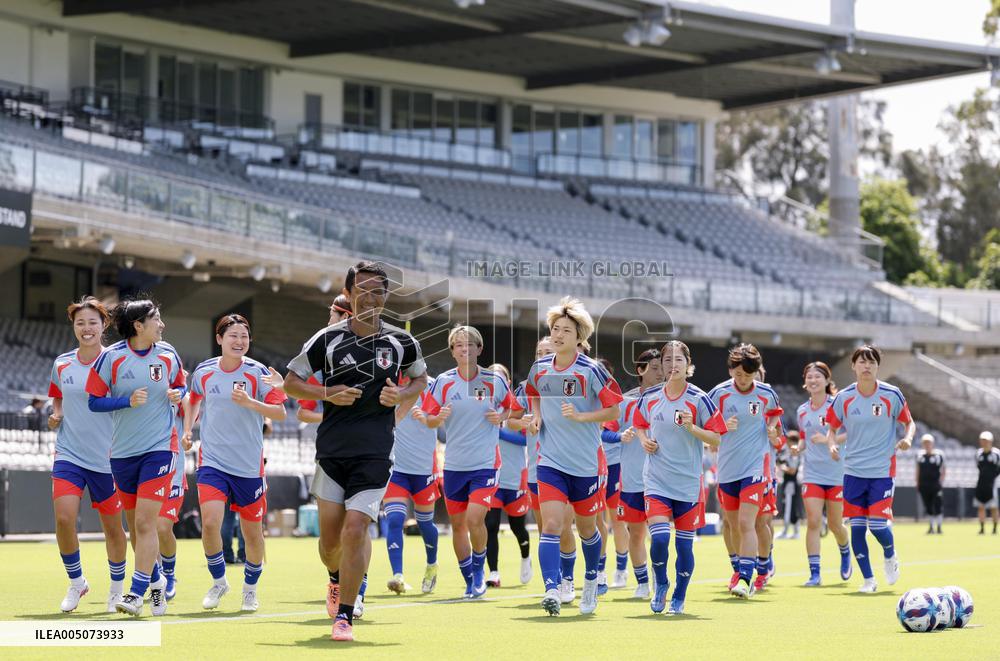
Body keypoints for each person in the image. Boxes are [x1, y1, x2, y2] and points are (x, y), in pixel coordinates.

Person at [284, 261, 427, 642]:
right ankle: (336, 578)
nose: (370, 297)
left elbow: (420, 378)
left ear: (386, 296)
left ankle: (345, 614)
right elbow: (291, 383)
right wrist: (326, 392)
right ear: (348, 294)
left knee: (355, 529)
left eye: (378, 291)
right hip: (331, 453)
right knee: (330, 543)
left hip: (376, 454)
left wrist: (401, 397)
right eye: (362, 290)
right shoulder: (326, 339)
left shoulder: (402, 342)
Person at [86, 298, 185, 617]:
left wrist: (177, 394)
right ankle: (156, 584)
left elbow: (182, 386)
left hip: (160, 449)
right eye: (157, 318)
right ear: (139, 325)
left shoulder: (168, 354)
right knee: (135, 527)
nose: (162, 324)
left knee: (146, 522)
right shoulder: (111, 359)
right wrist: (125, 401)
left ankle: (135, 593)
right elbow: (94, 402)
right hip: (123, 454)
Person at [525, 297, 623, 616]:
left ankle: (591, 581)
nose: (558, 334)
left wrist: (582, 417)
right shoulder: (539, 368)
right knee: (551, 525)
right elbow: (532, 393)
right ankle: (553, 587)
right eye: (555, 329)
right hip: (551, 462)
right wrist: (536, 416)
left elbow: (614, 408)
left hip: (585, 465)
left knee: (586, 531)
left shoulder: (591, 370)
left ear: (579, 336)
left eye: (566, 330)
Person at [186, 314, 287, 613]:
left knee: (252, 533)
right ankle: (219, 582)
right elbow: (193, 398)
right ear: (219, 339)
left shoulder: (258, 372)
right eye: (232, 335)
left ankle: (250, 589)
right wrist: (187, 429)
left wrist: (252, 403)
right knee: (210, 523)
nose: (239, 341)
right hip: (212, 461)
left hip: (248, 466)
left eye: (244, 336)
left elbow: (280, 413)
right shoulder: (204, 372)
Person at [422, 326, 521, 598]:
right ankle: (468, 579)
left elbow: (515, 408)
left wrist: (501, 417)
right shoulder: (443, 382)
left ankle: (479, 572)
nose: (464, 349)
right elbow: (429, 419)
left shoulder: (493, 381)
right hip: (454, 465)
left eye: (469, 344)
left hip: (485, 463)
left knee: (475, 519)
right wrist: (437, 417)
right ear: (452, 352)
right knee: (458, 526)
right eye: (458, 345)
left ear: (479, 349)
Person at [633, 340, 727, 615]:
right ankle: (661, 583)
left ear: (689, 365)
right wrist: (643, 440)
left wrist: (692, 427)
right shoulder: (650, 397)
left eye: (678, 360)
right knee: (660, 539)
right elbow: (639, 424)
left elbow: (717, 438)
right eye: (667, 360)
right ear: (661, 366)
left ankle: (679, 596)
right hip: (656, 480)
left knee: (684, 547)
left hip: (687, 484)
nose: (673, 365)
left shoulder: (699, 399)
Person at [48, 297, 128, 613]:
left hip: (109, 458)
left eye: (92, 322)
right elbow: (57, 397)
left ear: (103, 325)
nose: (86, 328)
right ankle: (76, 582)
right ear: (73, 327)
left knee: (113, 529)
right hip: (69, 453)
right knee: (64, 518)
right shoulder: (62, 363)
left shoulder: (118, 363)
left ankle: (117, 590)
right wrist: (56, 415)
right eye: (80, 322)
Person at [825, 345, 915, 594]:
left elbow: (909, 423)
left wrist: (907, 438)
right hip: (853, 472)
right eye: (861, 362)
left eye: (871, 362)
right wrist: (832, 446)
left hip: (882, 472)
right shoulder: (844, 397)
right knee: (857, 528)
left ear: (878, 366)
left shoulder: (891, 394)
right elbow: (831, 429)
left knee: (877, 527)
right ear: (853, 366)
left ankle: (890, 553)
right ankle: (868, 580)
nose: (866, 366)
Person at [708, 343, 783, 599]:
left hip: (755, 466)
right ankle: (738, 567)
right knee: (731, 524)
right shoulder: (718, 394)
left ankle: (746, 578)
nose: (742, 380)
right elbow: (706, 427)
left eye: (748, 375)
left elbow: (775, 417)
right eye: (738, 374)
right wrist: (720, 426)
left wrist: (773, 429)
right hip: (727, 467)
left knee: (746, 521)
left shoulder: (766, 393)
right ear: (731, 370)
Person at [607, 348, 663, 600]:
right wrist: (621, 436)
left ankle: (659, 576)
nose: (661, 372)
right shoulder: (625, 402)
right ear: (640, 371)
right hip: (631, 480)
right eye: (654, 367)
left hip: (663, 480)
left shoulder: (671, 399)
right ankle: (642, 581)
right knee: (636, 533)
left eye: (663, 366)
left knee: (660, 534)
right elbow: (604, 431)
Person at [382, 373, 441, 595]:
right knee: (395, 519)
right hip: (396, 467)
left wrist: (429, 416)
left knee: (426, 523)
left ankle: (431, 565)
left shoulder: (433, 385)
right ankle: (398, 575)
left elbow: (446, 416)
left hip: (424, 468)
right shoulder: (387, 382)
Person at [794, 361, 851, 586]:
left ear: (827, 380)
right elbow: (802, 436)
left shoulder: (836, 405)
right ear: (805, 382)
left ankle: (845, 551)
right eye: (809, 377)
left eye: (818, 376)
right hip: (812, 474)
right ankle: (815, 573)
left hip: (836, 472)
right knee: (813, 521)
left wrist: (830, 440)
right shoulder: (801, 410)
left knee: (836, 525)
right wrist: (798, 446)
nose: (813, 380)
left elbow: (849, 432)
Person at [485, 363, 532, 587]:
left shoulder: (516, 407)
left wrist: (500, 430)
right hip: (492, 475)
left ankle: (525, 558)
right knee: (491, 525)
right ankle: (493, 572)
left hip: (516, 476)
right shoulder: (484, 407)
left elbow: (526, 438)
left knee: (517, 527)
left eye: (500, 378)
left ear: (508, 383)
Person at [593, 357, 629, 595]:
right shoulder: (585, 399)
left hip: (615, 465)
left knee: (617, 519)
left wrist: (617, 437)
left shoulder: (615, 401)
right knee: (596, 520)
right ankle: (599, 570)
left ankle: (621, 569)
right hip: (592, 465)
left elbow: (610, 432)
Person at [158, 384, 190, 602]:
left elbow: (192, 407)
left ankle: (169, 574)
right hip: (141, 470)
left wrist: (180, 396)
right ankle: (152, 575)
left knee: (162, 527)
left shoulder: (177, 393)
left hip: (173, 473)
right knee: (143, 528)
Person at [916, 433, 945, 534]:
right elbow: (918, 470)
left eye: (928, 443)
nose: (927, 445)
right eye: (925, 443)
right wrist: (917, 483)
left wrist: (941, 482)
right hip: (924, 485)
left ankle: (939, 527)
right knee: (928, 506)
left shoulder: (939, 455)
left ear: (932, 443)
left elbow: (944, 469)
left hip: (935, 485)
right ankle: (931, 527)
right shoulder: (920, 455)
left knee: (937, 505)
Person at [777, 430, 802, 540]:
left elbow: (792, 470)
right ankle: (791, 531)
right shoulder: (789, 453)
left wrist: (782, 467)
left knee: (789, 508)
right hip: (788, 484)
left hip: (791, 485)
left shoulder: (796, 454)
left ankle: (788, 531)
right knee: (789, 507)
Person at [974, 431, 1000, 535]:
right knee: (981, 506)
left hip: (992, 484)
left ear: (990, 441)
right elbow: (979, 467)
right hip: (981, 484)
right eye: (982, 440)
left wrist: (992, 478)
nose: (984, 442)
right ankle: (982, 528)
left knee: (993, 507)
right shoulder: (978, 453)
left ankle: (994, 528)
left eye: (986, 440)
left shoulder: (996, 454)